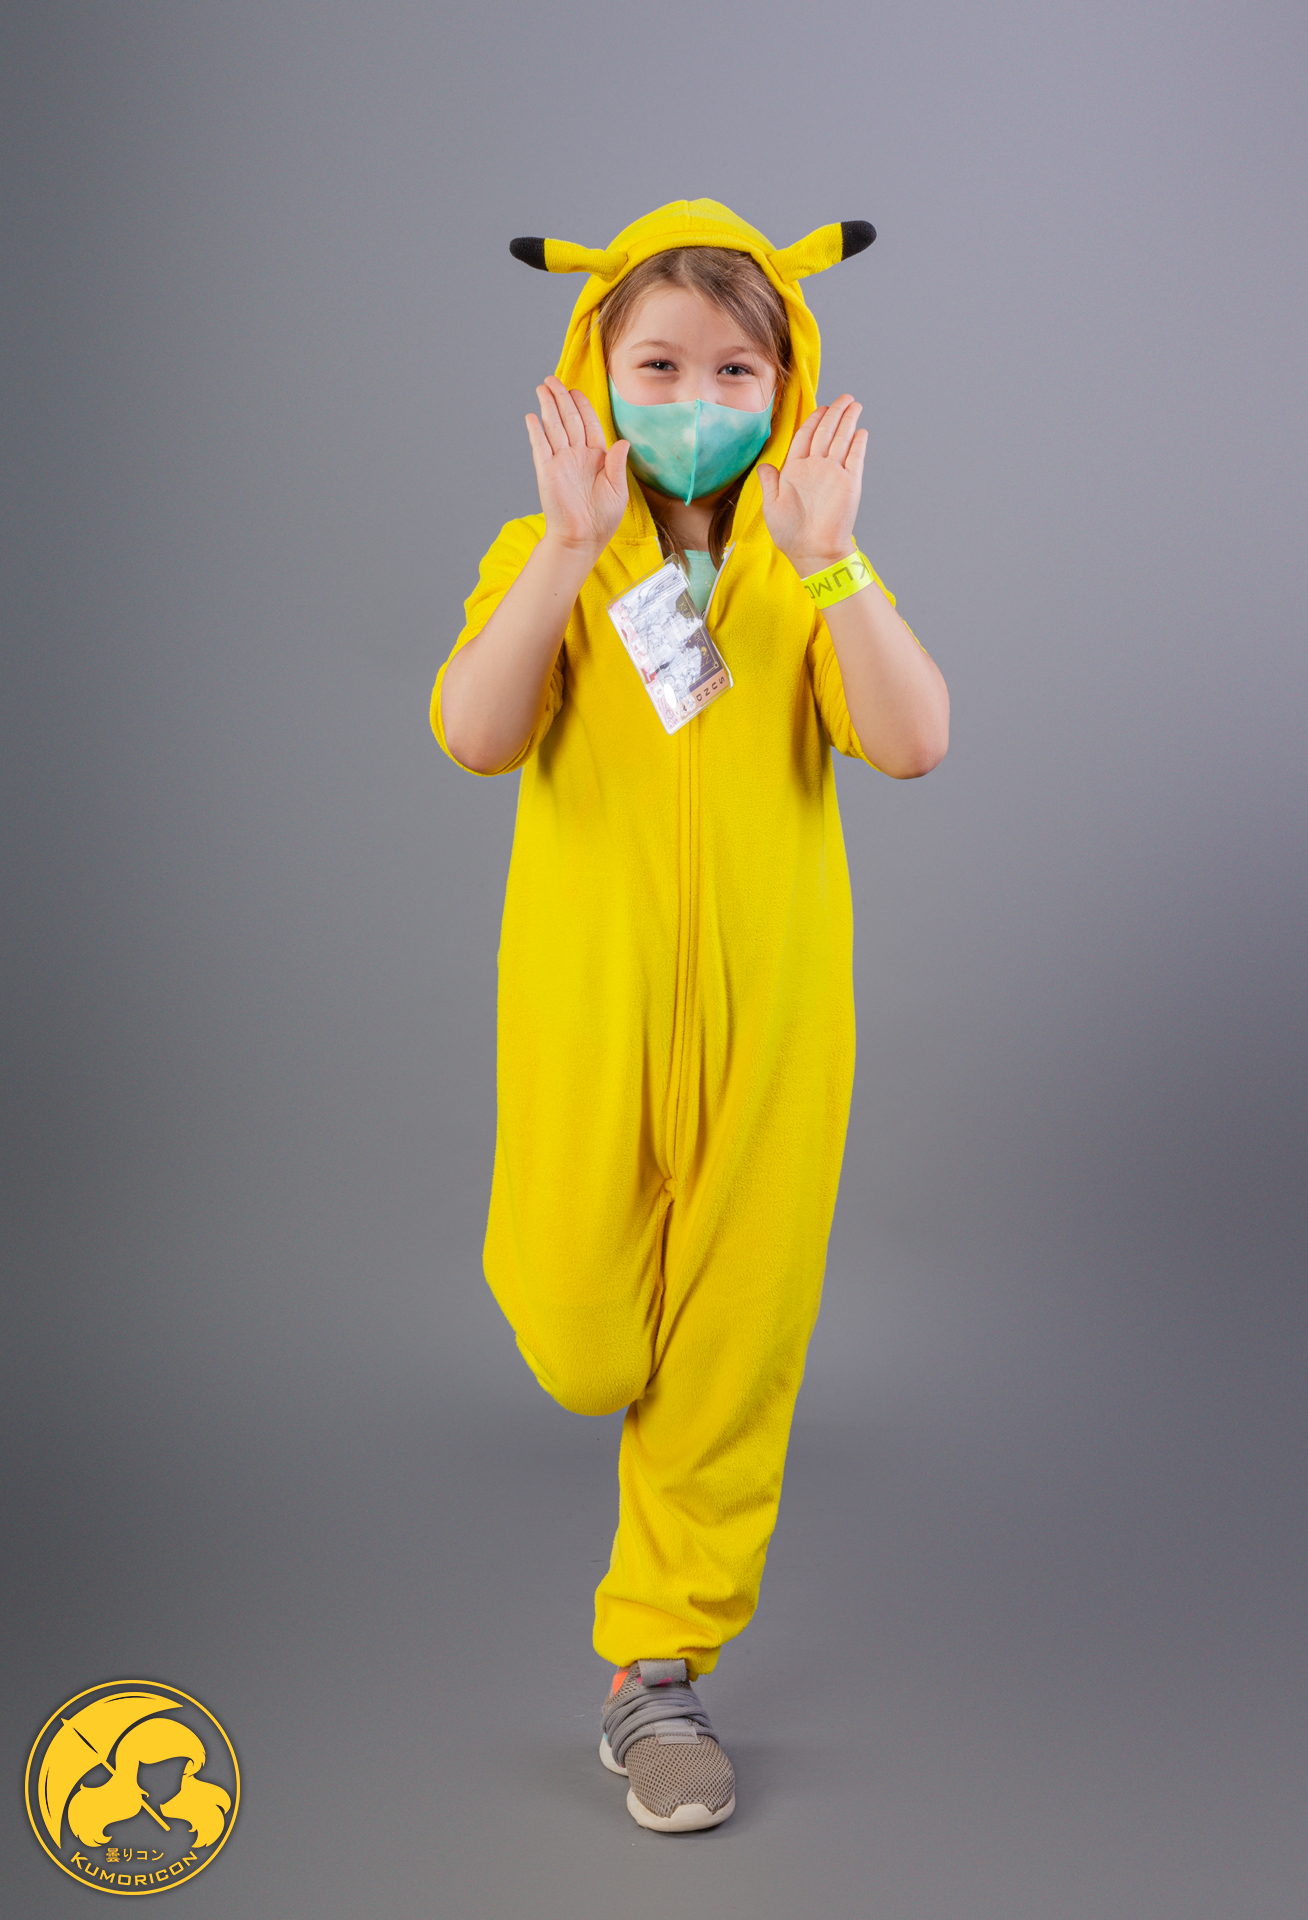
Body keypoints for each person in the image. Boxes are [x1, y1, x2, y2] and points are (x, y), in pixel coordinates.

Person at [430, 199, 949, 1833]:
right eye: (657, 364)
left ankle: (652, 1673)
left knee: (728, 1354)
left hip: (775, 1032)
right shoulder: (547, 555)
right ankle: (600, 1383)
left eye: (736, 368)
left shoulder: (807, 566)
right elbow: (474, 732)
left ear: (787, 387)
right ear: (594, 370)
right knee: (587, 1345)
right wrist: (565, 549)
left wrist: (832, 559)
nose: (696, 397)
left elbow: (913, 740)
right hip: (587, 1017)